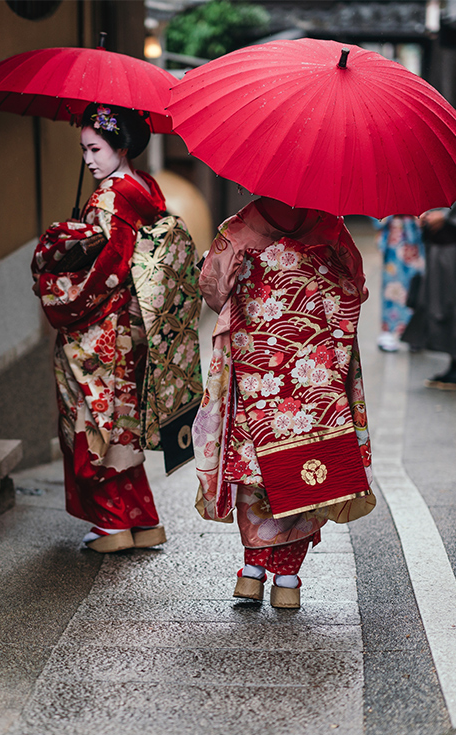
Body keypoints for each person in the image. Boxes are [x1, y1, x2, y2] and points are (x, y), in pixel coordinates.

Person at [192, 197, 377, 608]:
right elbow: (356, 288)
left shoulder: (238, 229)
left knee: (255, 466)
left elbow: (213, 289)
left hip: (257, 371)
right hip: (313, 378)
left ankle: (252, 573)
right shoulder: (330, 227)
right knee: (308, 467)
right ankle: (288, 580)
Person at [31, 103, 168, 553]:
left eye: (95, 149)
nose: (88, 159)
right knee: (119, 419)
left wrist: (57, 288)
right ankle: (143, 520)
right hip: (135, 322)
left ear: (121, 147)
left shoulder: (109, 197)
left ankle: (112, 524)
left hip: (102, 324)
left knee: (91, 417)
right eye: (84, 149)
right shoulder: (144, 187)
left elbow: (108, 270)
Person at [401, 181, 456, 389]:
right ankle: (454, 363)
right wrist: (426, 215)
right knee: (441, 304)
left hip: (455, 252)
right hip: (438, 250)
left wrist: (445, 217)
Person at [373, 216, 424, 352]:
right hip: (394, 239)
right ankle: (389, 331)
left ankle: (414, 331)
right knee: (392, 287)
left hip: (414, 236)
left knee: (415, 286)